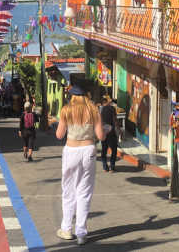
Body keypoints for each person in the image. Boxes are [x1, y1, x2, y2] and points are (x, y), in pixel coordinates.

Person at [54, 85, 105, 246]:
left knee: (68, 190)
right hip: (88, 150)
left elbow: (59, 135)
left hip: (71, 150)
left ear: (72, 96)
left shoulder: (66, 110)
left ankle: (66, 229)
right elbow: (100, 136)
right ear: (85, 96)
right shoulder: (94, 110)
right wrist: (107, 130)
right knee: (84, 192)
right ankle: (81, 233)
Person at [100, 95, 120, 172]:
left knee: (104, 150)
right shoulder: (112, 108)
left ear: (102, 103)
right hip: (111, 132)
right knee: (114, 149)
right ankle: (112, 166)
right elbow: (115, 120)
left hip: (103, 132)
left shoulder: (100, 109)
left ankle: (105, 167)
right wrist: (118, 129)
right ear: (107, 102)